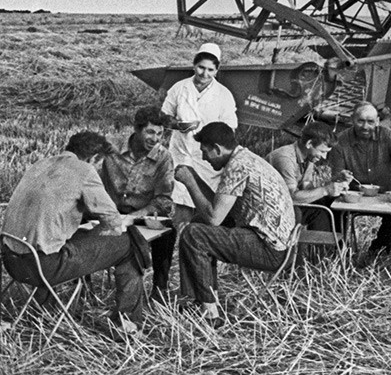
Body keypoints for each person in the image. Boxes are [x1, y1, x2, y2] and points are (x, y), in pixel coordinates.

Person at [1, 131, 145, 334]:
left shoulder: (40, 165)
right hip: (44, 268)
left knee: (55, 238)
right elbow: (112, 221)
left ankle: (44, 311)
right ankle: (126, 322)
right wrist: (101, 229)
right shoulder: (84, 170)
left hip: (12, 261)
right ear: (94, 158)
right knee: (130, 243)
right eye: (98, 163)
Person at [176, 122, 295, 323]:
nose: (204, 158)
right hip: (280, 242)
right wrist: (194, 176)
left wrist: (189, 182)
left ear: (217, 148)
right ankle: (198, 298)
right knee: (198, 222)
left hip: (270, 249)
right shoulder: (244, 158)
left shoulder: (237, 166)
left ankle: (210, 313)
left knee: (193, 234)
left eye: (206, 152)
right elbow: (218, 205)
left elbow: (214, 218)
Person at [100, 106, 176, 302]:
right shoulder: (110, 147)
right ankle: (80, 283)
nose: (156, 138)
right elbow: (89, 177)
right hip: (108, 214)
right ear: (136, 129)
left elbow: (163, 200)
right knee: (78, 219)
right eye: (150, 132)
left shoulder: (163, 158)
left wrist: (134, 217)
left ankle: (159, 292)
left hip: (140, 218)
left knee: (167, 231)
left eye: (160, 133)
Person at [328, 102, 391, 257]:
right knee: (333, 208)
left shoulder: (388, 135)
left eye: (370, 122)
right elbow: (336, 176)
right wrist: (341, 177)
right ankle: (341, 250)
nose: (365, 126)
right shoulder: (341, 141)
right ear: (352, 119)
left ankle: (378, 250)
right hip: (353, 196)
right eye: (360, 121)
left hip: (386, 194)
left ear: (377, 121)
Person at [161, 42, 237, 222]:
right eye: (201, 67)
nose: (204, 74)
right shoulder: (179, 88)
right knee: (181, 203)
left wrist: (211, 137)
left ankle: (199, 241)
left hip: (208, 158)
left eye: (210, 70)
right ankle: (178, 242)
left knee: (205, 203)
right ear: (194, 65)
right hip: (181, 152)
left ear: (217, 71)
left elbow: (230, 129)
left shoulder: (223, 95)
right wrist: (179, 126)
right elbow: (163, 117)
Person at [265, 121, 346, 231]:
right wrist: (325, 190)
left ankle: (338, 244)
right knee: (319, 212)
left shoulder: (308, 157)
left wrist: (334, 182)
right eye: (322, 151)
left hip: (285, 202)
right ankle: (323, 246)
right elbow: (292, 197)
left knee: (329, 203)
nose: (324, 157)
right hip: (270, 206)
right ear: (309, 144)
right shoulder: (285, 158)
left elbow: (305, 186)